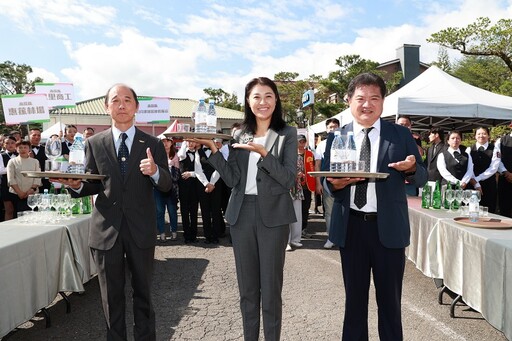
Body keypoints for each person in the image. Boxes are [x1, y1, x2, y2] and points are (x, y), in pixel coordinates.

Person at [54, 84, 172, 340]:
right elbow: (93, 182)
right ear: (107, 107)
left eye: (127, 100)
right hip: (106, 230)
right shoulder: (94, 143)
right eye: (115, 100)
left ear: (136, 107)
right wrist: (75, 186)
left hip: (141, 230)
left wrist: (155, 172)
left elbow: (167, 185)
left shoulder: (152, 143)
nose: (121, 105)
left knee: (143, 293)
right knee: (111, 297)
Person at [190, 77, 297, 341]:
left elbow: (287, 179)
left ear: (276, 100)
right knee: (247, 290)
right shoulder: (240, 134)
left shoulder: (288, 133)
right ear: (248, 101)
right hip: (242, 214)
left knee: (271, 290)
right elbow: (233, 180)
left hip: (273, 215)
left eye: (268, 96)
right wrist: (215, 149)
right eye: (256, 97)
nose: (263, 102)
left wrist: (264, 154)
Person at [322, 72, 427, 341]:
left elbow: (424, 175)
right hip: (352, 228)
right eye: (360, 98)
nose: (367, 104)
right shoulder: (337, 137)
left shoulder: (400, 135)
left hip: (388, 229)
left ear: (383, 102)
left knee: (390, 304)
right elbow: (326, 181)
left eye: (374, 98)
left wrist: (413, 168)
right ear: (348, 101)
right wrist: (336, 184)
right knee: (354, 303)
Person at [314, 117, 340, 248]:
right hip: (327, 180)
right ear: (326, 129)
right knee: (329, 211)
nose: (333, 129)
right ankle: (331, 237)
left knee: (343, 210)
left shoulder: (344, 142)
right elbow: (317, 165)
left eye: (335, 127)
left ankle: (342, 237)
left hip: (345, 180)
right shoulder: (321, 145)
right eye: (330, 127)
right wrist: (318, 183)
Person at [466, 127, 499, 213]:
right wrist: (474, 182)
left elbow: (494, 168)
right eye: (479, 134)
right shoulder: (469, 149)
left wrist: (477, 179)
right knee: (471, 210)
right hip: (471, 184)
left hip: (489, 184)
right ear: (475, 136)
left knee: (488, 211)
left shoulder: (495, 149)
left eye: (484, 133)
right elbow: (468, 167)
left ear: (488, 136)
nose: (481, 136)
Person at [154, 136, 180, 241]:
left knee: (172, 211)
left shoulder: (175, 156)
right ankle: (162, 233)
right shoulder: (157, 155)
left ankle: (174, 231)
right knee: (159, 212)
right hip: (158, 188)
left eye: (167, 141)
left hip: (171, 189)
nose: (165, 144)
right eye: (163, 141)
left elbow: (177, 174)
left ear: (171, 143)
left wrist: (169, 173)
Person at [7, 140, 41, 212]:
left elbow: (38, 177)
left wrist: (32, 189)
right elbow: (11, 179)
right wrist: (20, 193)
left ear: (29, 149)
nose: (23, 149)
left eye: (25, 147)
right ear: (16, 149)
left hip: (32, 193)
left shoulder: (35, 161)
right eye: (20, 147)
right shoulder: (12, 161)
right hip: (17, 194)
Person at [178, 140, 201, 243]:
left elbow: (201, 171)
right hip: (183, 187)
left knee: (194, 211)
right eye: (188, 141)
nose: (191, 143)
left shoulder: (198, 154)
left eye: (193, 141)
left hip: (195, 187)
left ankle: (194, 235)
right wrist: (184, 143)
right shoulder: (182, 152)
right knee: (184, 211)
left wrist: (191, 173)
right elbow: (181, 155)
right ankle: (187, 235)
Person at [286, 134, 307, 251]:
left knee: (297, 215)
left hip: (297, 189)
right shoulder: (282, 156)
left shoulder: (299, 157)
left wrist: (300, 175)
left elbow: (301, 171)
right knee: (287, 216)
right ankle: (286, 241)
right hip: (285, 189)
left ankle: (295, 239)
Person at [396, 115, 424, 196]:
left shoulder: (415, 138)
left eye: (406, 125)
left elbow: (421, 153)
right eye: (401, 125)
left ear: (410, 126)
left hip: (410, 180)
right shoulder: (390, 137)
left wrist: (411, 140)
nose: (404, 127)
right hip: (394, 178)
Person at [1, 136, 19, 220]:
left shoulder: (20, 155)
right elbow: (1, 170)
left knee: (18, 209)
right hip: (6, 185)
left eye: (12, 143)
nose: (10, 145)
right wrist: (12, 169)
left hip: (19, 185)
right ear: (4, 145)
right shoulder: (1, 155)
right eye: (7, 143)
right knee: (9, 209)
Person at [496, 122, 512, 217]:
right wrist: (506, 173)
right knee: (504, 209)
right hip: (505, 179)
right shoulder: (501, 141)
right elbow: (497, 159)